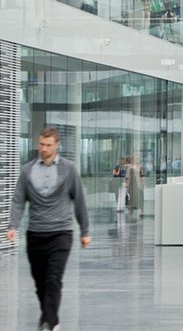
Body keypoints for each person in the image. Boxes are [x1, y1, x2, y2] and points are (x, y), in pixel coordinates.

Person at [7, 127, 91, 331]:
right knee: (40, 282)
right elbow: (19, 200)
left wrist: (85, 231)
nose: (43, 149)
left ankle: (48, 324)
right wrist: (13, 225)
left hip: (61, 233)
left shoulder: (68, 169)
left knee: (54, 278)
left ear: (56, 145)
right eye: (41, 144)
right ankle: (51, 319)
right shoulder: (27, 170)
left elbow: (79, 200)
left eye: (48, 145)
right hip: (36, 233)